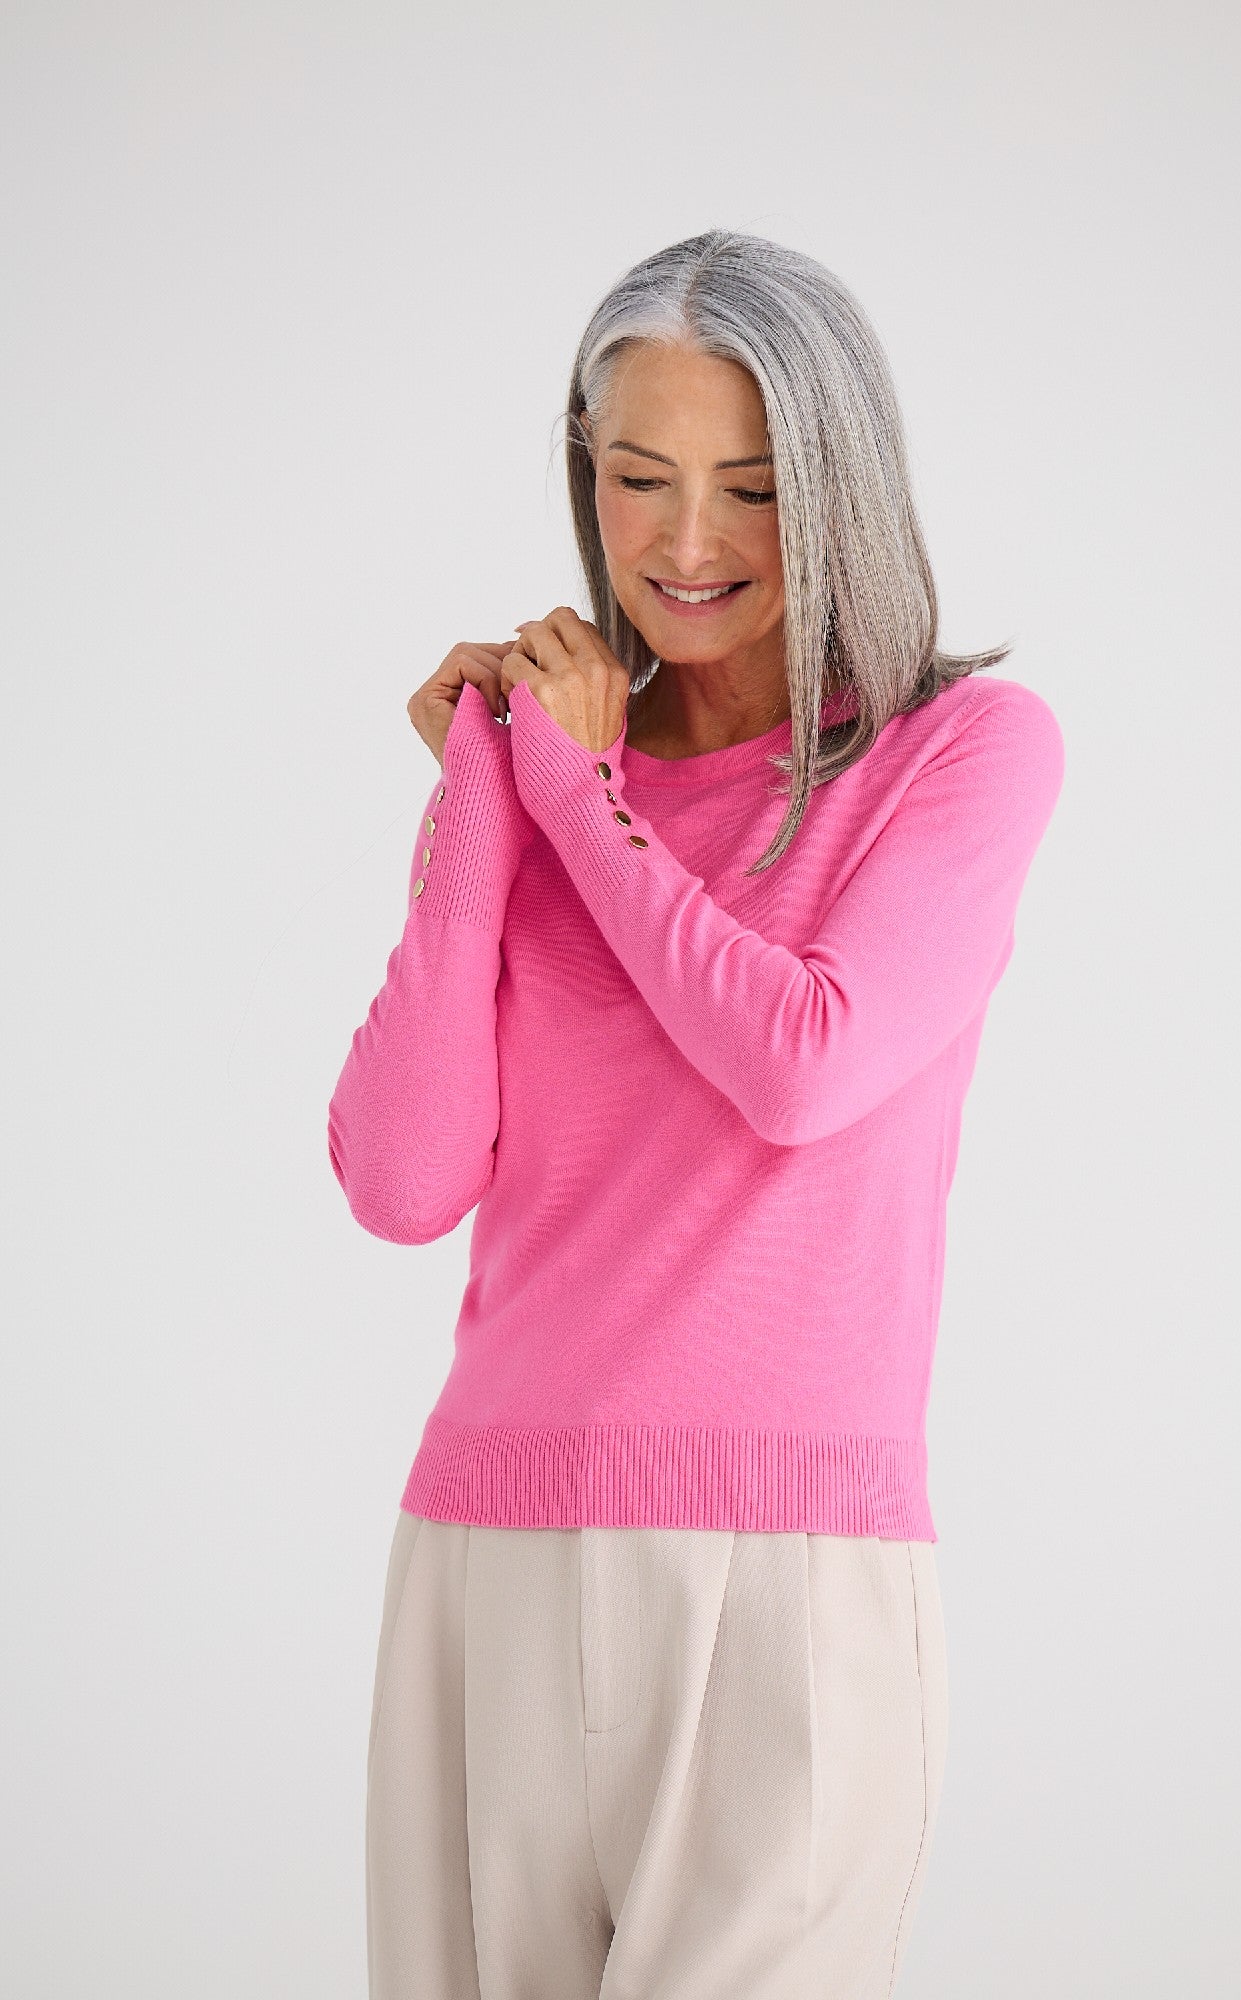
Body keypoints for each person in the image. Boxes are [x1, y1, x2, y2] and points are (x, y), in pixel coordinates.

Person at [327, 227, 1065, 1999]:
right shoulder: (543, 765)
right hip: (487, 1544)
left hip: (789, 1565)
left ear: (841, 483)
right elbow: (402, 1178)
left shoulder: (958, 754)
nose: (684, 544)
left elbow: (801, 1063)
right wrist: (483, 802)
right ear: (584, 470)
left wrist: (577, 800)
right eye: (639, 477)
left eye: (752, 487)